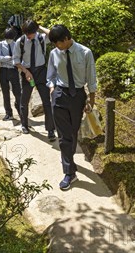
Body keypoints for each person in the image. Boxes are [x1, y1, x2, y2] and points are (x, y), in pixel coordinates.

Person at [46, 24, 97, 191]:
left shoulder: (85, 53)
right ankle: (69, 172)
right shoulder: (54, 53)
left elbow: (91, 78)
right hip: (60, 95)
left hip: (77, 97)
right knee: (64, 136)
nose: (56, 47)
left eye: (58, 43)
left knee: (73, 132)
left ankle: (67, 156)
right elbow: (51, 74)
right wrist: (52, 87)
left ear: (67, 39)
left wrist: (91, 100)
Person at [13, 20, 56, 139]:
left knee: (47, 101)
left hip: (41, 71)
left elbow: (53, 34)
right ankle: (24, 125)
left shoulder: (42, 38)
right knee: (24, 101)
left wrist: (40, 26)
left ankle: (50, 130)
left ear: (35, 31)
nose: (28, 36)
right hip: (27, 71)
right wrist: (26, 71)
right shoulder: (20, 41)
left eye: (30, 33)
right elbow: (16, 60)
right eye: (26, 33)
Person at [0, 28, 22, 121]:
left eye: (10, 38)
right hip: (3, 71)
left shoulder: (17, 44)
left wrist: (7, 59)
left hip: (13, 70)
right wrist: (9, 58)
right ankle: (8, 113)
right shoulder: (0, 44)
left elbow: (18, 58)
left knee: (17, 93)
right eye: (7, 38)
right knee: (5, 93)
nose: (8, 40)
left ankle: (20, 111)